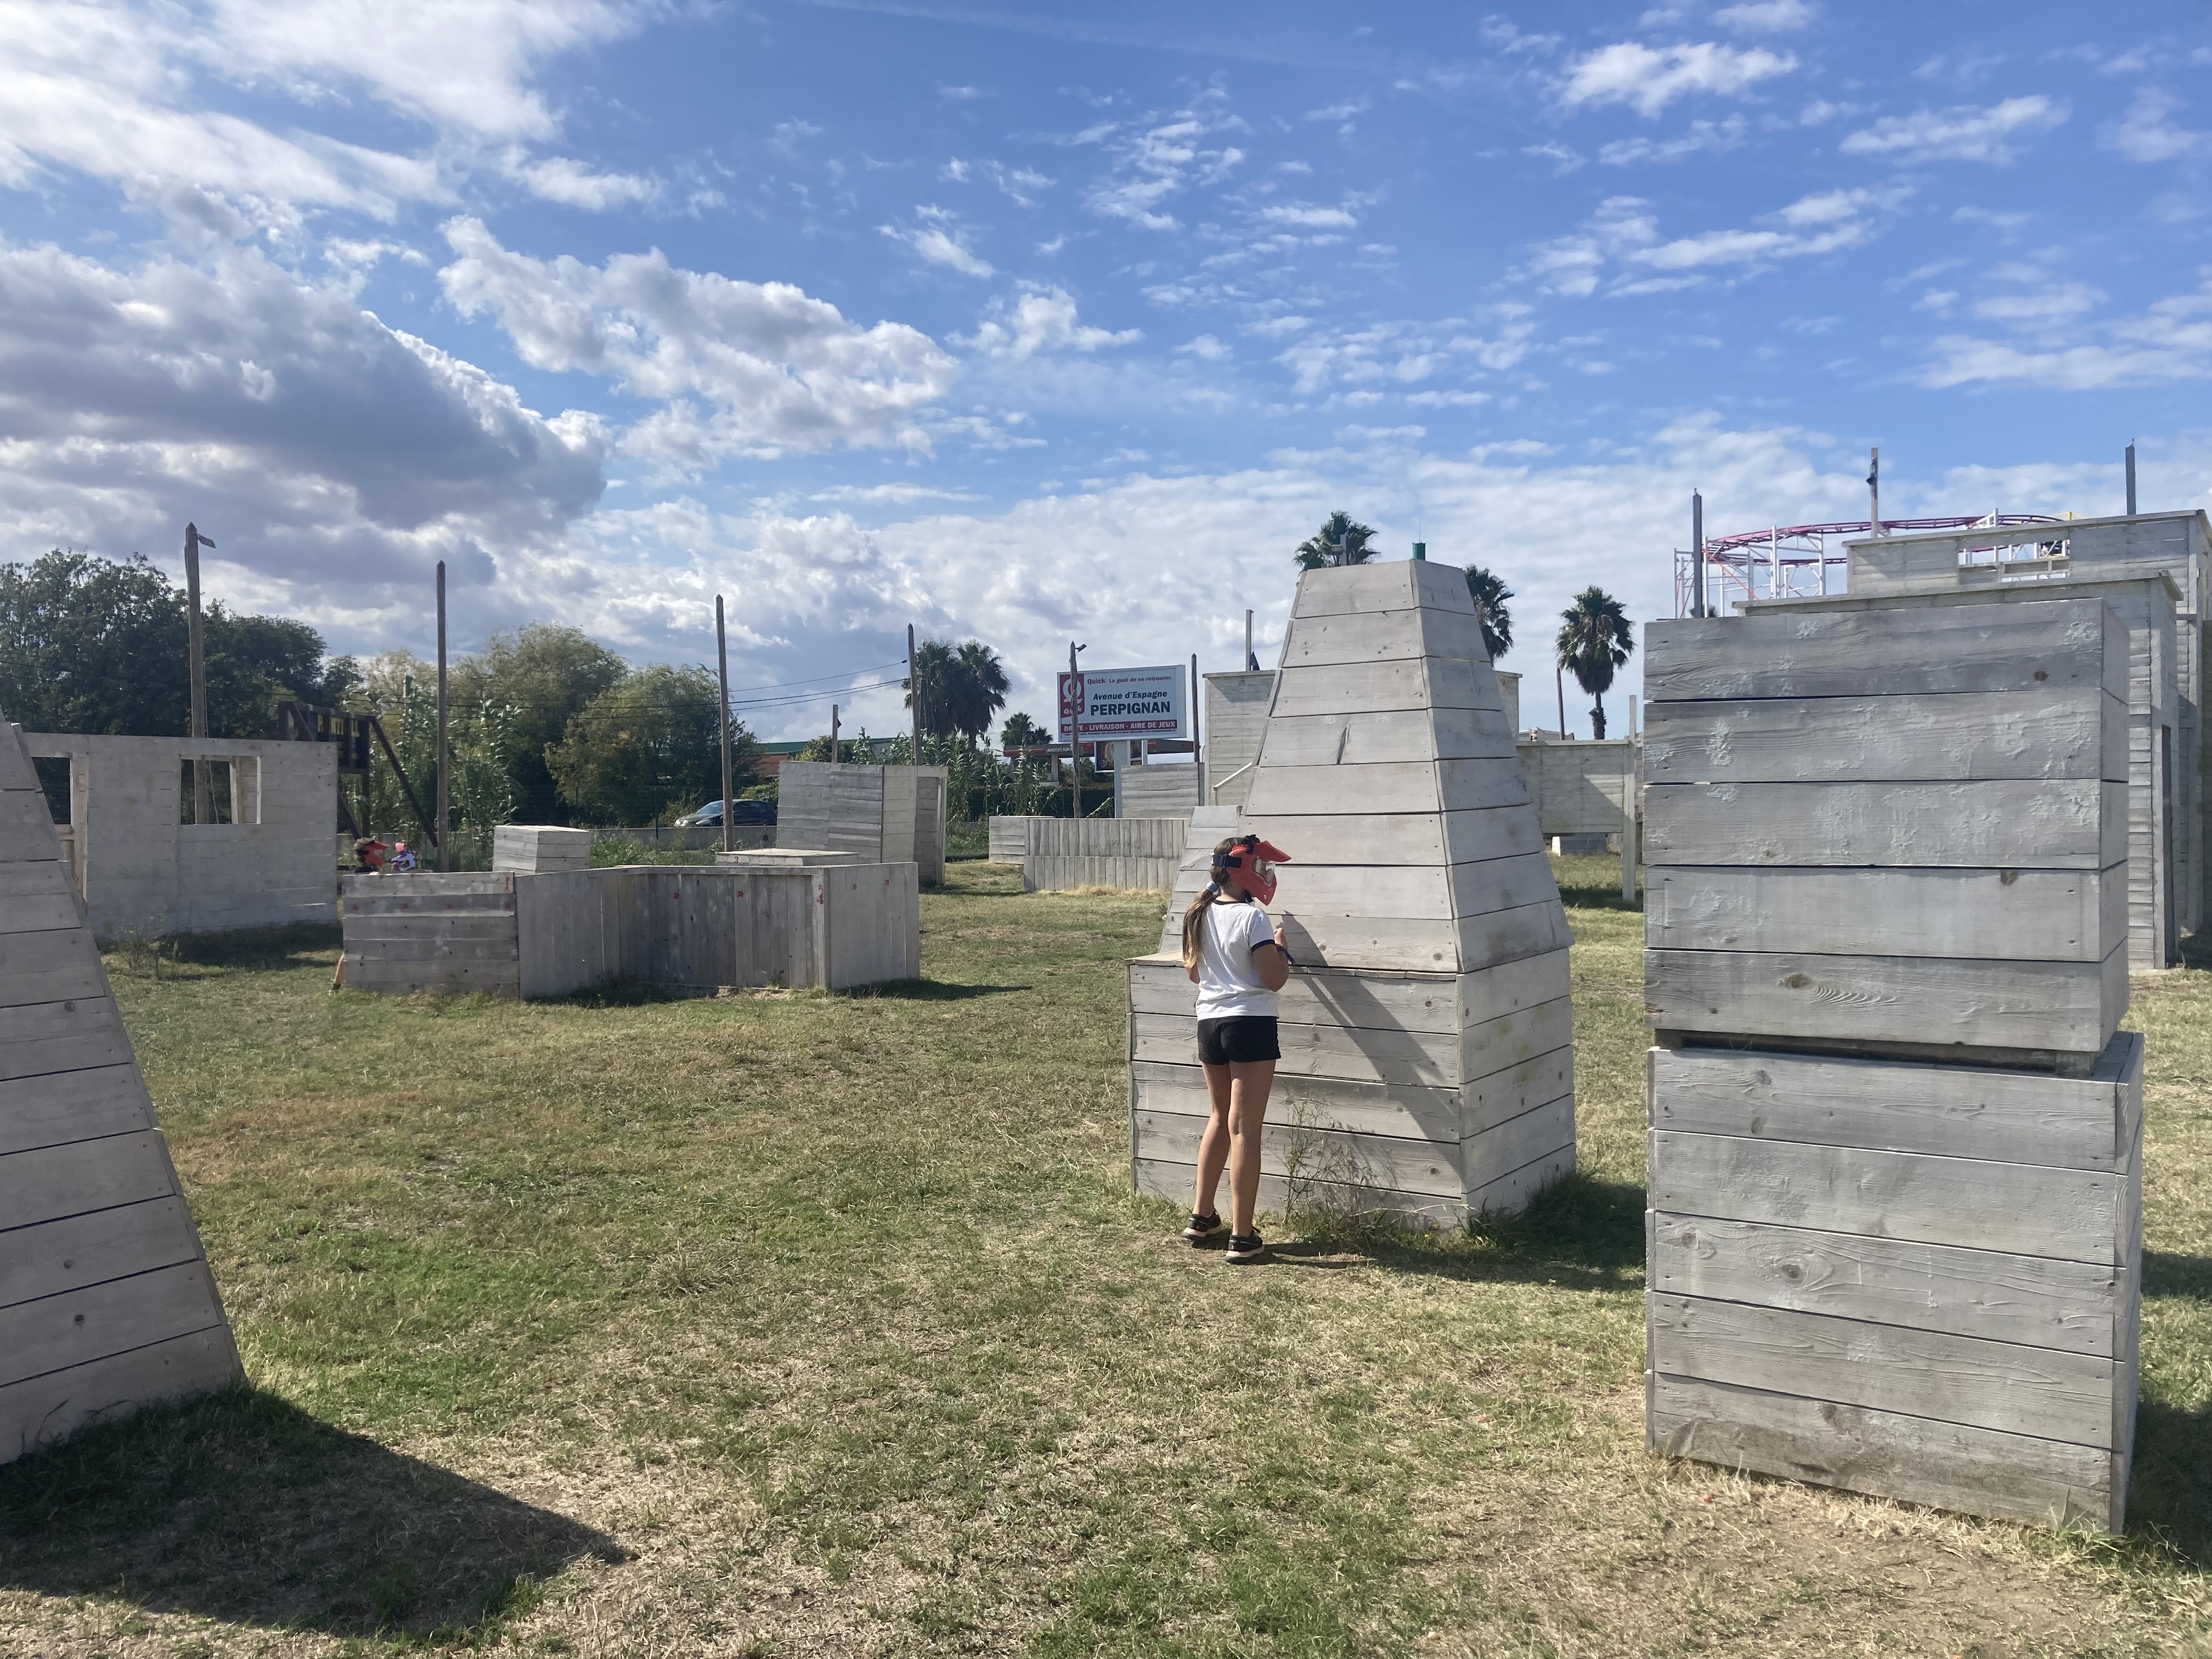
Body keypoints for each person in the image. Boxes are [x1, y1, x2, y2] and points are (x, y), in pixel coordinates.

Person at [1178, 834, 1294, 1264]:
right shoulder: (1253, 917)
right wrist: (1281, 949)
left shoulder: (1199, 913)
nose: (1266, 875)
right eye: (1261, 867)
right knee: (1244, 1128)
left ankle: (1202, 1217)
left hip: (1209, 1023)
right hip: (1250, 1023)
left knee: (1218, 1117)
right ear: (1245, 872)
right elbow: (1273, 980)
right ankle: (1243, 1238)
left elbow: (1195, 974)